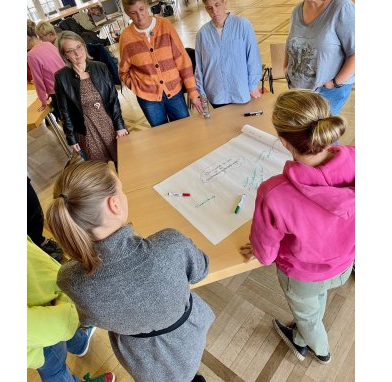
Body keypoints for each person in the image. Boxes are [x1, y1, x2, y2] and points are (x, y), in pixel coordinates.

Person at [47, 161, 214, 382]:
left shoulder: (69, 279)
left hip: (140, 359)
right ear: (114, 204)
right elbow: (201, 270)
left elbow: (88, 316)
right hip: (187, 337)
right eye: (121, 189)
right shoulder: (170, 245)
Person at [239, 90, 355, 365]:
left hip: (303, 275)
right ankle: (302, 336)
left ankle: (321, 350)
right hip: (344, 263)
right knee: (313, 306)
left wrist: (257, 247)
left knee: (307, 315)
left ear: (282, 142)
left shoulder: (274, 193)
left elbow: (266, 255)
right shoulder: (357, 157)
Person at [27, 237, 115, 382]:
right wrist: (69, 315)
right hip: (41, 337)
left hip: (49, 306)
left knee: (67, 335)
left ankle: (81, 343)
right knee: (55, 369)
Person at [117, 0, 204, 127]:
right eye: (133, 13)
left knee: (185, 130)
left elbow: (183, 60)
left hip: (175, 91)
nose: (139, 16)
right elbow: (123, 71)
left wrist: (192, 91)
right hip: (148, 99)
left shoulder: (165, 25)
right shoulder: (126, 37)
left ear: (146, 5)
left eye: (141, 9)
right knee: (161, 137)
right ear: (127, 13)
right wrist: (138, 87)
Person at [285, 0, 356, 116]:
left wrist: (335, 83)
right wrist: (286, 68)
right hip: (301, 90)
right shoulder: (298, 10)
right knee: (303, 137)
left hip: (328, 91)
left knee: (322, 137)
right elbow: (291, 42)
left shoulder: (342, 8)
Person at [53, 31, 128, 165]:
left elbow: (113, 100)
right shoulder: (62, 77)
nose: (77, 53)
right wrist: (71, 137)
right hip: (87, 132)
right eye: (70, 51)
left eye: (79, 47)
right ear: (65, 55)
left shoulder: (100, 67)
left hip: (109, 125)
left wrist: (120, 126)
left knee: (123, 162)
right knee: (101, 169)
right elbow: (65, 112)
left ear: (84, 46)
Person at [194, 0, 263, 108]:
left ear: (224, 2)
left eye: (217, 5)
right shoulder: (202, 34)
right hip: (216, 95)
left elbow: (253, 58)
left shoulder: (243, 25)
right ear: (206, 9)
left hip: (241, 92)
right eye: (210, 8)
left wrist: (252, 85)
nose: (214, 12)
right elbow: (199, 68)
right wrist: (201, 92)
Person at [28, 20, 66, 111]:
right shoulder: (48, 44)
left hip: (57, 93)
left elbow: (38, 81)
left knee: (66, 120)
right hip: (67, 84)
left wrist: (43, 101)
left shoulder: (31, 55)